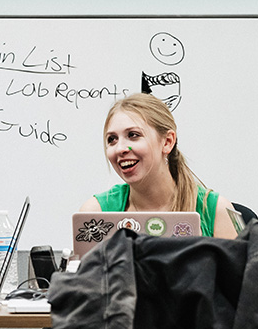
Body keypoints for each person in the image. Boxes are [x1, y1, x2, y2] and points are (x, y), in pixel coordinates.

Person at [79, 92, 243, 238]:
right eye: (112, 139)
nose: (120, 148)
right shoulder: (95, 213)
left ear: (167, 142)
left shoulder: (216, 211)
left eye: (133, 135)